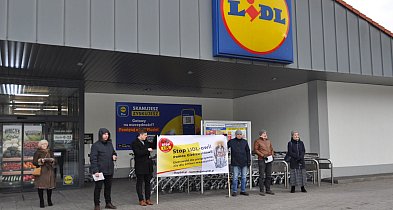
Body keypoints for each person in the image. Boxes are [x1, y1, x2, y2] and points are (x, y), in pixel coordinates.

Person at [90, 128, 117, 210]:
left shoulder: (110, 144)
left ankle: (108, 203)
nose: (106, 136)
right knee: (98, 188)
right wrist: (96, 170)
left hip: (109, 170)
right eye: (104, 134)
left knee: (108, 188)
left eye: (107, 134)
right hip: (100, 171)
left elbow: (113, 152)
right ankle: (97, 204)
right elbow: (93, 159)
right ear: (100, 135)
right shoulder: (95, 145)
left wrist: (114, 156)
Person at [131, 128, 154, 206]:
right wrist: (147, 150)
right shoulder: (134, 143)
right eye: (145, 135)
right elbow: (138, 153)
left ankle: (148, 199)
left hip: (148, 166)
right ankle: (141, 199)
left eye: (146, 135)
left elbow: (152, 146)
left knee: (148, 183)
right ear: (140, 135)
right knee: (140, 183)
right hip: (140, 166)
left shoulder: (146, 142)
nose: (146, 137)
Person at [32, 139, 56, 208]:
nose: (44, 145)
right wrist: (40, 161)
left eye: (45, 144)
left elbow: (55, 160)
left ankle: (49, 200)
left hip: (49, 171)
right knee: (40, 187)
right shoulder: (37, 152)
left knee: (49, 187)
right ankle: (41, 201)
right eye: (43, 144)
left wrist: (52, 160)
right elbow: (34, 162)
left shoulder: (50, 151)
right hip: (41, 171)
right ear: (40, 145)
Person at [227, 130, 251, 196]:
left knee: (244, 177)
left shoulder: (245, 142)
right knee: (235, 177)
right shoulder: (231, 141)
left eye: (240, 134)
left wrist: (249, 161)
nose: (239, 135)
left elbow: (248, 152)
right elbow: (225, 147)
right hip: (235, 162)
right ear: (235, 135)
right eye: (238, 134)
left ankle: (243, 190)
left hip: (244, 162)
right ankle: (234, 191)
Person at [254, 130, 275, 196]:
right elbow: (256, 150)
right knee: (262, 175)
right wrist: (263, 155)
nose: (265, 134)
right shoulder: (257, 141)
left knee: (268, 175)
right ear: (260, 134)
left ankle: (268, 189)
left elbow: (271, 149)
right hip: (262, 159)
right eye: (264, 133)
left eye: (265, 133)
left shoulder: (268, 141)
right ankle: (261, 190)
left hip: (269, 159)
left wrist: (272, 155)